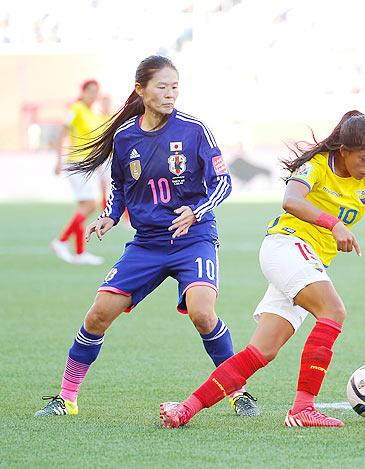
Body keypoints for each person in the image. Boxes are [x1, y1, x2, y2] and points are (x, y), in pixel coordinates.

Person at [159, 110, 365, 428]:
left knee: (263, 350)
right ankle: (303, 408)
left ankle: (185, 409)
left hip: (305, 262)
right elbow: (291, 200)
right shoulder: (316, 166)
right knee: (333, 311)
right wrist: (334, 224)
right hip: (286, 247)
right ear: (344, 151)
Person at [35, 55, 259, 418]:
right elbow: (121, 186)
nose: (170, 94)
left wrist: (196, 211)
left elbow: (223, 182)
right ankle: (67, 399)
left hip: (193, 237)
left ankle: (239, 391)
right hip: (148, 243)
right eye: (162, 87)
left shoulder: (194, 130)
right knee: (98, 315)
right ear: (140, 89)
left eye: (175, 87)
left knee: (203, 313)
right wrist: (109, 216)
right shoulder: (125, 138)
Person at [51, 79, 105, 265]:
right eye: (90, 91)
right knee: (90, 205)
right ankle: (62, 240)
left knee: (84, 206)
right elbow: (62, 133)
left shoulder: (93, 114)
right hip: (76, 164)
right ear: (82, 92)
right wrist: (58, 160)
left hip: (87, 165)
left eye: (95, 91)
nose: (93, 95)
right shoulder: (76, 109)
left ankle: (80, 253)